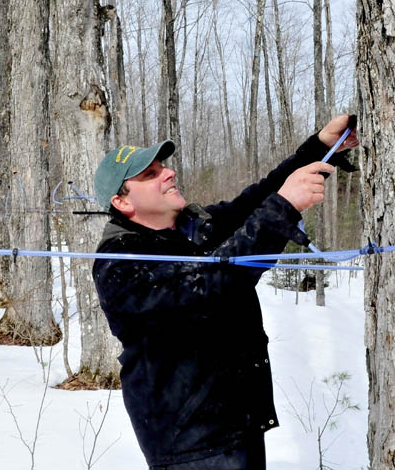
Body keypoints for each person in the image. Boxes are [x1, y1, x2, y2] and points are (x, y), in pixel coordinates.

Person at [92, 115, 358, 469]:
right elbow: (213, 286)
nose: (168, 173)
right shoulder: (121, 263)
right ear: (123, 203)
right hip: (191, 444)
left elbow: (253, 202)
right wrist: (283, 208)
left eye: (163, 167)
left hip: (236, 425)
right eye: (149, 175)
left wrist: (321, 147)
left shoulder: (189, 229)